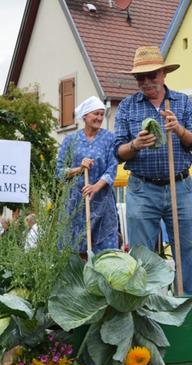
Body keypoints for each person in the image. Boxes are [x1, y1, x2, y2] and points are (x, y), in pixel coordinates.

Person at [114, 45, 192, 294]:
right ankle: (147, 314)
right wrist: (135, 144)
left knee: (186, 253)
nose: (146, 82)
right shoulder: (127, 107)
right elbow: (116, 151)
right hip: (142, 188)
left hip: (180, 186)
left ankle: (190, 310)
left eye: (151, 75)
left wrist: (179, 129)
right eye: (140, 78)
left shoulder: (182, 103)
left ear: (163, 74)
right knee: (142, 257)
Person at [56, 95, 119, 255]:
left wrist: (95, 187)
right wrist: (78, 169)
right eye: (95, 114)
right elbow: (59, 171)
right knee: (74, 251)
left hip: (102, 202)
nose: (99, 118)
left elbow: (112, 168)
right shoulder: (70, 140)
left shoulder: (110, 139)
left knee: (105, 253)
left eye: (101, 114)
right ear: (85, 116)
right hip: (75, 203)